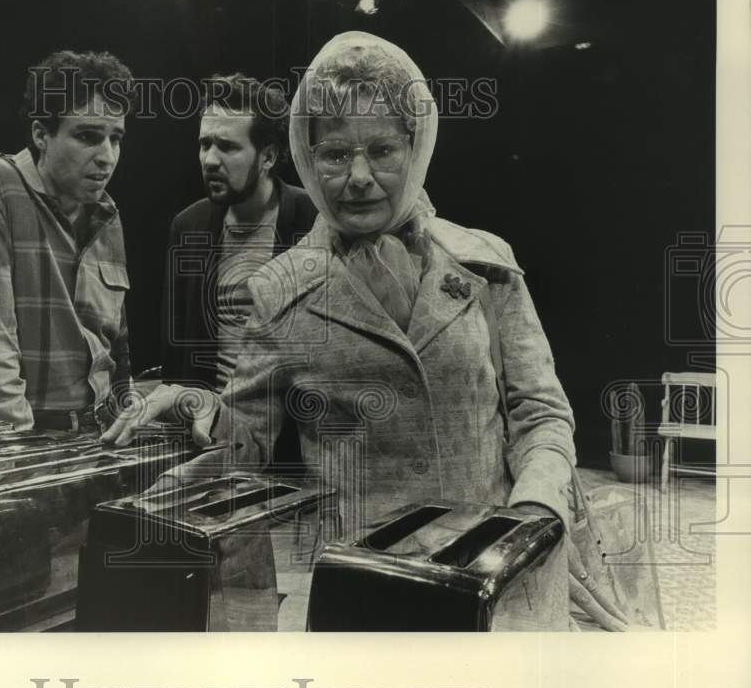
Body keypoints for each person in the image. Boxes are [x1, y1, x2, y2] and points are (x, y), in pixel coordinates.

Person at [104, 32, 583, 629]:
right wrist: (191, 404)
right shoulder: (282, 290)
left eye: (382, 150)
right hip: (366, 595)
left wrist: (533, 511)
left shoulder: (486, 265)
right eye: (335, 155)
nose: (358, 176)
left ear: (416, 147)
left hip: (501, 583)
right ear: (308, 158)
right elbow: (243, 446)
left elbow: (541, 413)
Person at [0, 49, 135, 434]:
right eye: (88, 137)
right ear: (41, 134)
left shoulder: (108, 215)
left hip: (102, 437)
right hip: (34, 438)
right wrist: (15, 459)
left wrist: (128, 418)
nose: (107, 157)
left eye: (116, 139)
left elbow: (118, 348)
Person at [162, 73, 316, 392]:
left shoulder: (313, 221)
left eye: (228, 147)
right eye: (205, 145)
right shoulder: (188, 226)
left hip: (286, 424)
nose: (210, 160)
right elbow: (176, 348)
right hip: (208, 422)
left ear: (268, 157)